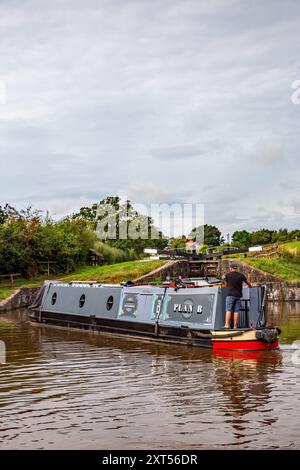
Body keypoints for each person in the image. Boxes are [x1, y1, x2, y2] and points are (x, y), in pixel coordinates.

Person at [224, 263, 252, 329]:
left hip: (230, 295)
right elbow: (248, 283)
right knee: (236, 311)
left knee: (228, 310)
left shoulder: (228, 275)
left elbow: (226, 285)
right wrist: (250, 286)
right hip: (238, 295)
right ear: (236, 268)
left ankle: (227, 325)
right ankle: (235, 326)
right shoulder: (241, 275)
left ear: (231, 268)